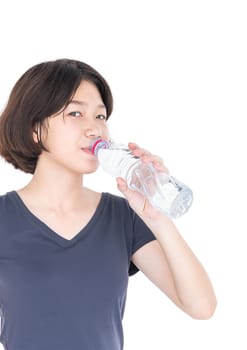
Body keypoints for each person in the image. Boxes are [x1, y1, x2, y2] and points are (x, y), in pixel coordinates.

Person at [0, 59, 217, 350]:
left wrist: (157, 216)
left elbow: (201, 307)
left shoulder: (124, 217)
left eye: (100, 117)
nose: (95, 129)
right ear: (35, 129)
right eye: (75, 113)